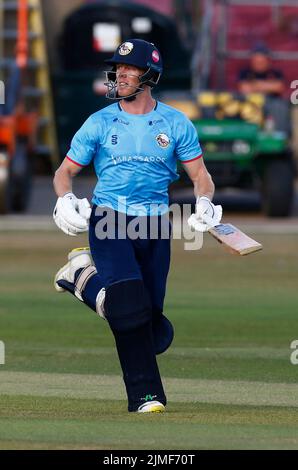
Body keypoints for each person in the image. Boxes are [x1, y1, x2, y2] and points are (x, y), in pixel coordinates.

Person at [52, 39, 222, 413]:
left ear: (150, 76)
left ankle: (80, 276)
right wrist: (64, 199)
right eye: (118, 68)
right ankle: (147, 397)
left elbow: (201, 176)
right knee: (128, 309)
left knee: (151, 325)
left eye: (129, 69)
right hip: (108, 219)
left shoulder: (175, 123)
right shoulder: (99, 121)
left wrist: (206, 202)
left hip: (156, 225)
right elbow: (64, 173)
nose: (120, 74)